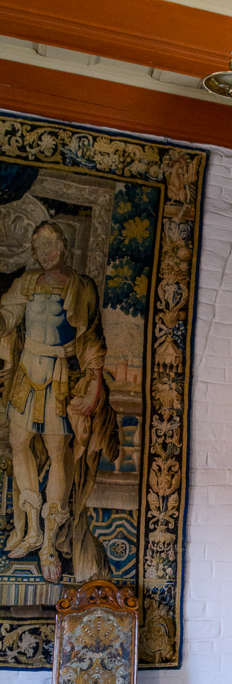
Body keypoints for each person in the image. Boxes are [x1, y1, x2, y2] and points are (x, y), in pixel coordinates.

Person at [0, 221, 118, 583]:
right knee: (19, 443)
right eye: (38, 247)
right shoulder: (26, 283)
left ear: (63, 246)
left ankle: (50, 542)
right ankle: (32, 530)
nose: (44, 252)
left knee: (56, 452)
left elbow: (92, 338)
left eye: (50, 245)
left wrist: (94, 387)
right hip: (26, 374)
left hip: (59, 375)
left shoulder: (80, 286)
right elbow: (7, 317)